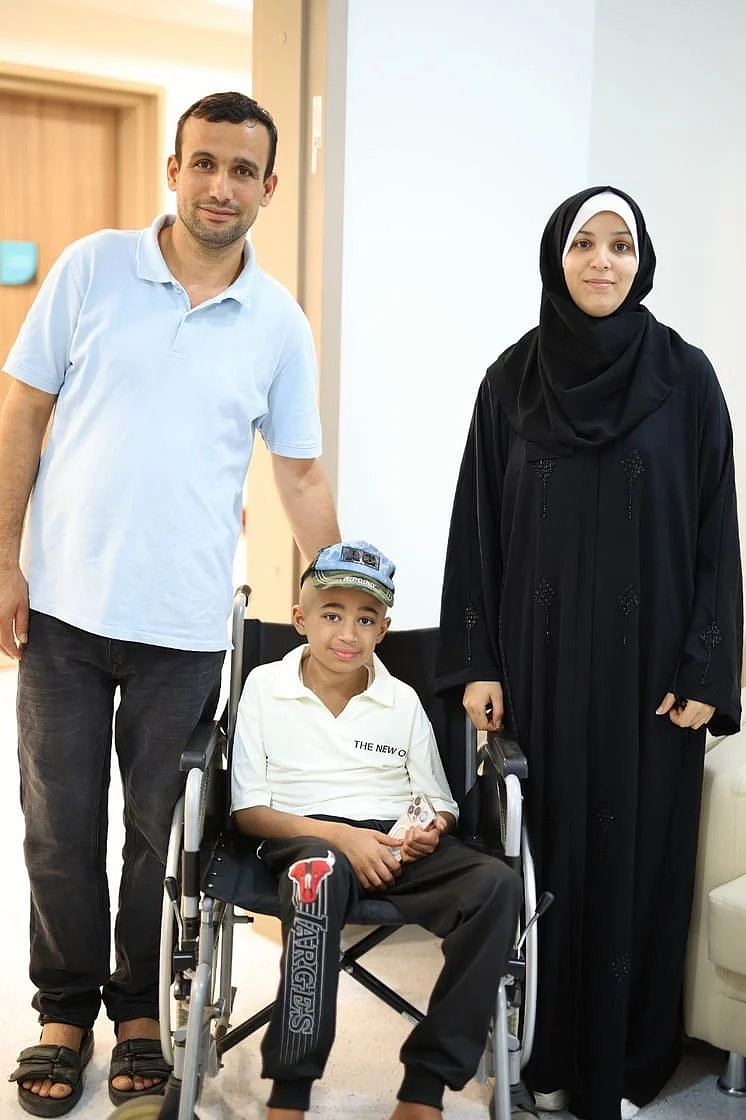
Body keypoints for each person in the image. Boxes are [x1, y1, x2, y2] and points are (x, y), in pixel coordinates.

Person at [2, 91, 340, 1115]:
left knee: (163, 836)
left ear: (268, 188)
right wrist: (3, 557)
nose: (219, 186)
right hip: (64, 611)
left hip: (185, 628)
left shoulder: (277, 323)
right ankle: (64, 1010)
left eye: (241, 170)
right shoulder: (92, 269)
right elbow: (23, 413)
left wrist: (343, 596)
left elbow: (298, 475)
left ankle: (140, 1012)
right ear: (173, 169)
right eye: (203, 163)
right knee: (59, 825)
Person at [436, 187, 743, 1120]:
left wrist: (707, 668)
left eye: (620, 245)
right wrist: (478, 662)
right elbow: (477, 531)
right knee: (543, 859)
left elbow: (715, 533)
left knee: (638, 862)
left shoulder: (687, 378)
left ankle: (627, 1058)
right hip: (540, 676)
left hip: (654, 685)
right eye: (583, 244)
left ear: (642, 261)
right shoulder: (510, 381)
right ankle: (536, 1051)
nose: (602, 261)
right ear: (555, 256)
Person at [231, 540, 522, 1120]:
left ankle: (424, 1090)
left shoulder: (402, 700)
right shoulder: (265, 685)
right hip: (305, 838)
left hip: (392, 840)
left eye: (365, 620)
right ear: (300, 619)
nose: (348, 633)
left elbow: (437, 802)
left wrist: (429, 830)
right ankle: (289, 1095)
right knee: (317, 876)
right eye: (331, 614)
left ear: (383, 630)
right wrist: (342, 838)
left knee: (497, 886)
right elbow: (248, 812)